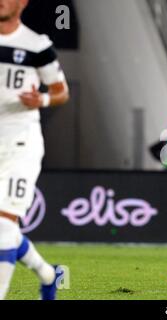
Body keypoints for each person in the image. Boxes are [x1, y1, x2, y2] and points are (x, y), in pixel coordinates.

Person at [0, 0, 69, 300]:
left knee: (4, 224)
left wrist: (40, 100)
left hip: (20, 144)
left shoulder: (36, 45)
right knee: (4, 228)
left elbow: (61, 92)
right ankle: (47, 274)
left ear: (22, 3)